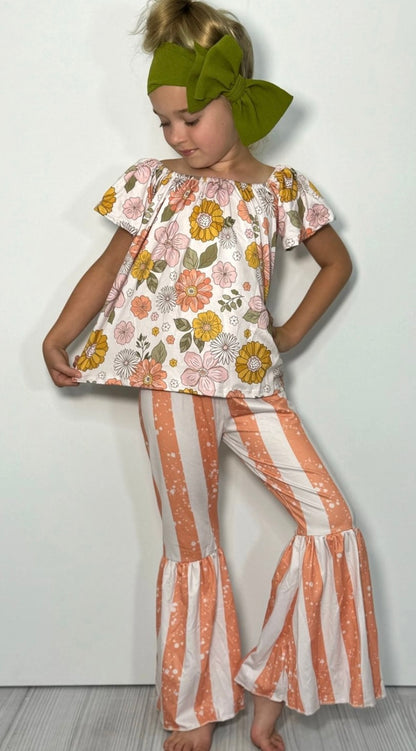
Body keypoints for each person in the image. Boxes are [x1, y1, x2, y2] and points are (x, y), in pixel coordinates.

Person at [42, 1, 385, 749]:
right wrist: (61, 333)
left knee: (331, 523)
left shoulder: (281, 189)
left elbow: (336, 264)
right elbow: (110, 266)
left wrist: (288, 332)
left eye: (190, 118)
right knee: (190, 542)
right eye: (164, 121)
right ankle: (194, 707)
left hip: (253, 389)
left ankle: (270, 681)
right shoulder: (153, 183)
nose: (175, 135)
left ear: (236, 97)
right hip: (170, 386)